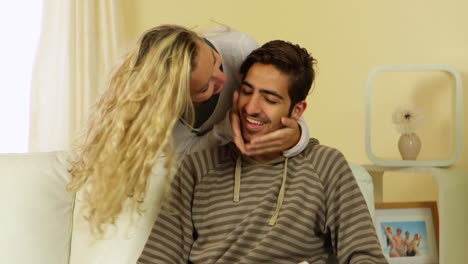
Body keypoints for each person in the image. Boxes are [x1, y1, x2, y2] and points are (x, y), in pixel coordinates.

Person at [138, 40, 387, 263]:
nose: (251, 107)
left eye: (269, 99)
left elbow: (366, 256)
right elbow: (159, 258)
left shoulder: (326, 166)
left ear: (297, 110)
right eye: (247, 91)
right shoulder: (199, 167)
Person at [65, 25, 308, 235]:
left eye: (214, 61)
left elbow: (283, 103)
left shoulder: (238, 49)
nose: (222, 80)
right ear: (174, 100)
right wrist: (223, 130)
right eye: (205, 87)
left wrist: (296, 136)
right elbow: (186, 161)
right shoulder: (162, 121)